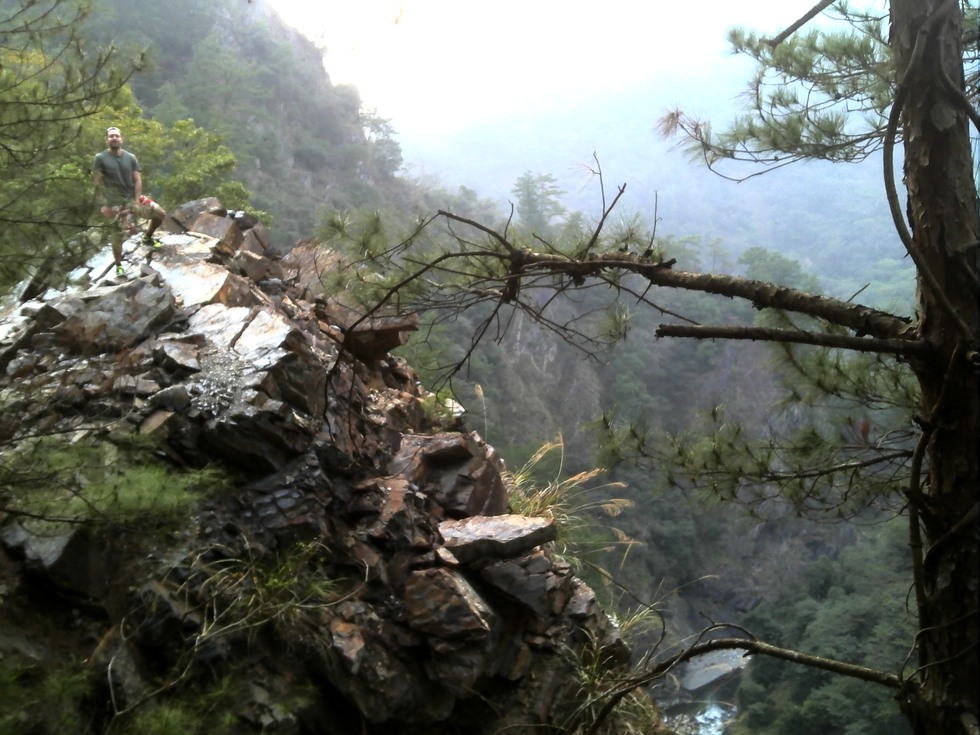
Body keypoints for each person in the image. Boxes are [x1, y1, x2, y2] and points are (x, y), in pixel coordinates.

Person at [92, 126, 166, 277]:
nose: (114, 138)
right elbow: (97, 183)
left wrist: (137, 200)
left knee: (160, 213)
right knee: (117, 236)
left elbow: (137, 180)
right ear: (106, 140)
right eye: (111, 136)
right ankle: (118, 265)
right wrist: (102, 205)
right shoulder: (100, 158)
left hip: (133, 198)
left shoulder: (130, 157)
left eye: (117, 136)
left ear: (121, 139)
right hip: (115, 202)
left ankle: (148, 237)